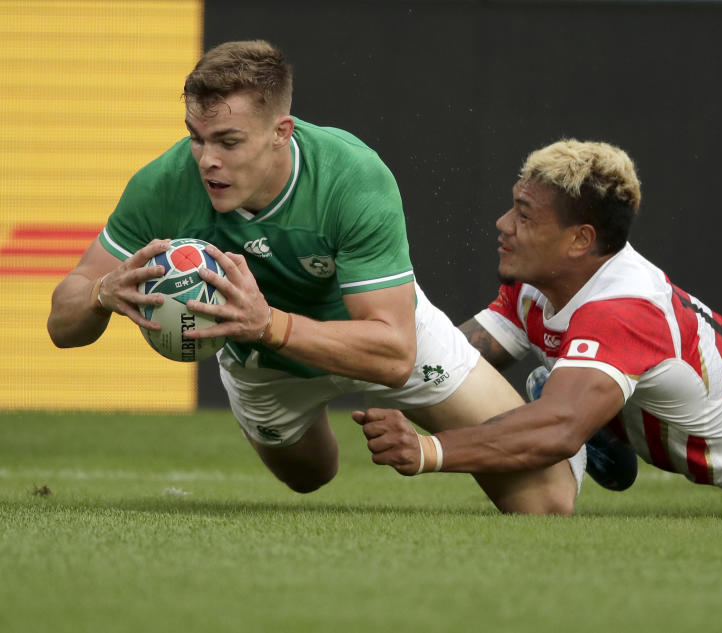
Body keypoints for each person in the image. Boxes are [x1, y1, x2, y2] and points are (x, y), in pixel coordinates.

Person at [46, 40, 582, 515]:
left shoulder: (351, 177)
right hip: (264, 365)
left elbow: (395, 354)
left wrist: (268, 324)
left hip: (370, 334)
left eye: (228, 141)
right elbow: (60, 324)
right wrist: (100, 293)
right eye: (196, 137)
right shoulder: (163, 184)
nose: (207, 160)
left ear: (281, 132)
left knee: (546, 501)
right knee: (309, 478)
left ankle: (579, 432)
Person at [354, 138, 722, 517]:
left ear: (580, 240)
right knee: (559, 384)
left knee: (556, 398)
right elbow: (453, 356)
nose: (502, 223)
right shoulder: (542, 281)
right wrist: (346, 346)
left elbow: (559, 428)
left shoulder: (621, 311)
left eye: (524, 213)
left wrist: (430, 449)